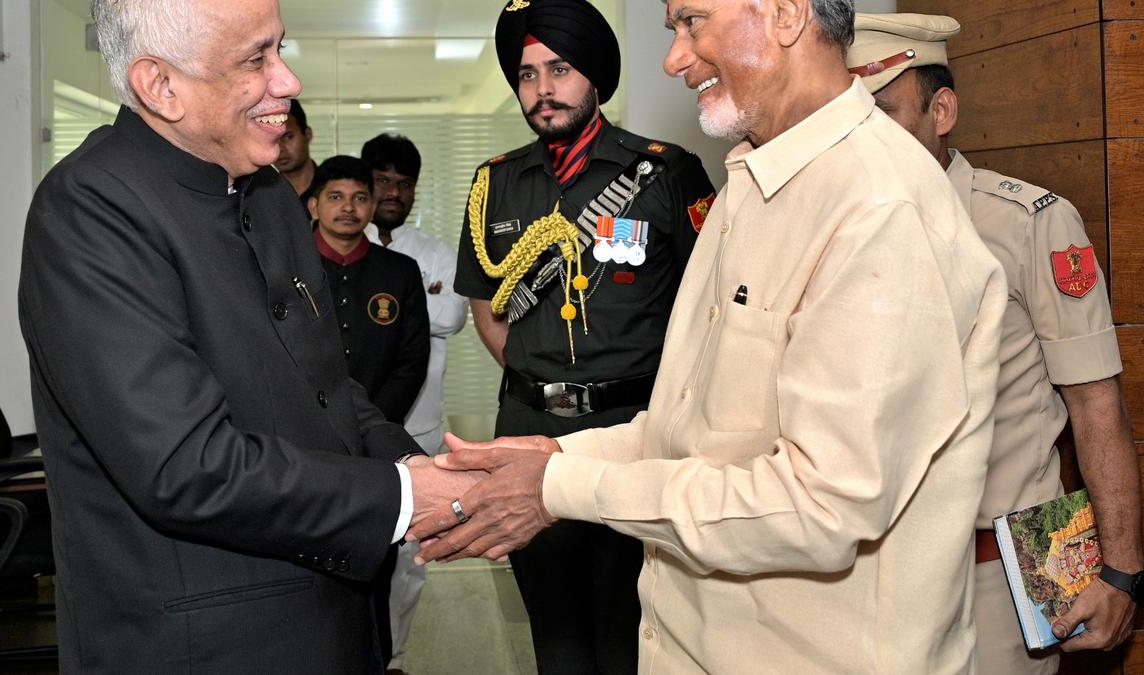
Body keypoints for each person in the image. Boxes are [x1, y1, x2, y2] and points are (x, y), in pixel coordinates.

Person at [414, 1, 1009, 672]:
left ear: (785, 15)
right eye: (673, 29)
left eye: (692, 22)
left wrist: (558, 486)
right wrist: (546, 455)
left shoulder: (878, 208)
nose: (674, 58)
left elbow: (820, 506)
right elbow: (685, 427)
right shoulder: (749, 185)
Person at [19, 0, 473, 671]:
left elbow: (328, 386)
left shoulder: (267, 197)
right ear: (160, 85)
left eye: (279, 50)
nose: (287, 80)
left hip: (337, 619)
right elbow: (185, 465)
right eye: (254, 59)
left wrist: (416, 468)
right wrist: (402, 499)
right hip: (209, 645)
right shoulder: (91, 211)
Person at [847, 13, 1143, 673]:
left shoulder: (1025, 224)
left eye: (883, 113)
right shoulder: (838, 231)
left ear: (941, 109)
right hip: (870, 570)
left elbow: (1096, 403)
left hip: (1002, 573)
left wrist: (1122, 574)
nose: (863, 141)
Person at [451, 1, 716, 672]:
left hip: (640, 429)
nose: (543, 90)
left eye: (560, 69)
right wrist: (542, 378)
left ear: (594, 75)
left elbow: (711, 304)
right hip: (529, 427)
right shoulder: (496, 184)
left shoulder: (665, 172)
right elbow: (487, 304)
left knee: (639, 627)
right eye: (527, 74)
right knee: (557, 633)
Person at [360, 132, 468, 675]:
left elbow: (451, 317)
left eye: (404, 184)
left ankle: (395, 659)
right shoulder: (342, 244)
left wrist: (393, 310)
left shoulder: (434, 252)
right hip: (356, 429)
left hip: (419, 428)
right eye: (382, 182)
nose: (393, 193)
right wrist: (412, 300)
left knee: (409, 558)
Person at [311, 155, 430, 426]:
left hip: (380, 427)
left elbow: (412, 361)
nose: (349, 208)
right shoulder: (288, 266)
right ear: (314, 206)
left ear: (373, 206)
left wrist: (373, 423)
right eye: (336, 197)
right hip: (305, 429)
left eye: (360, 198)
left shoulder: (401, 271)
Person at [276, 97, 317, 213]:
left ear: (308, 134)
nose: (280, 148)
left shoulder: (331, 188)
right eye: (273, 140)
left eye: (288, 137)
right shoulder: (260, 194)